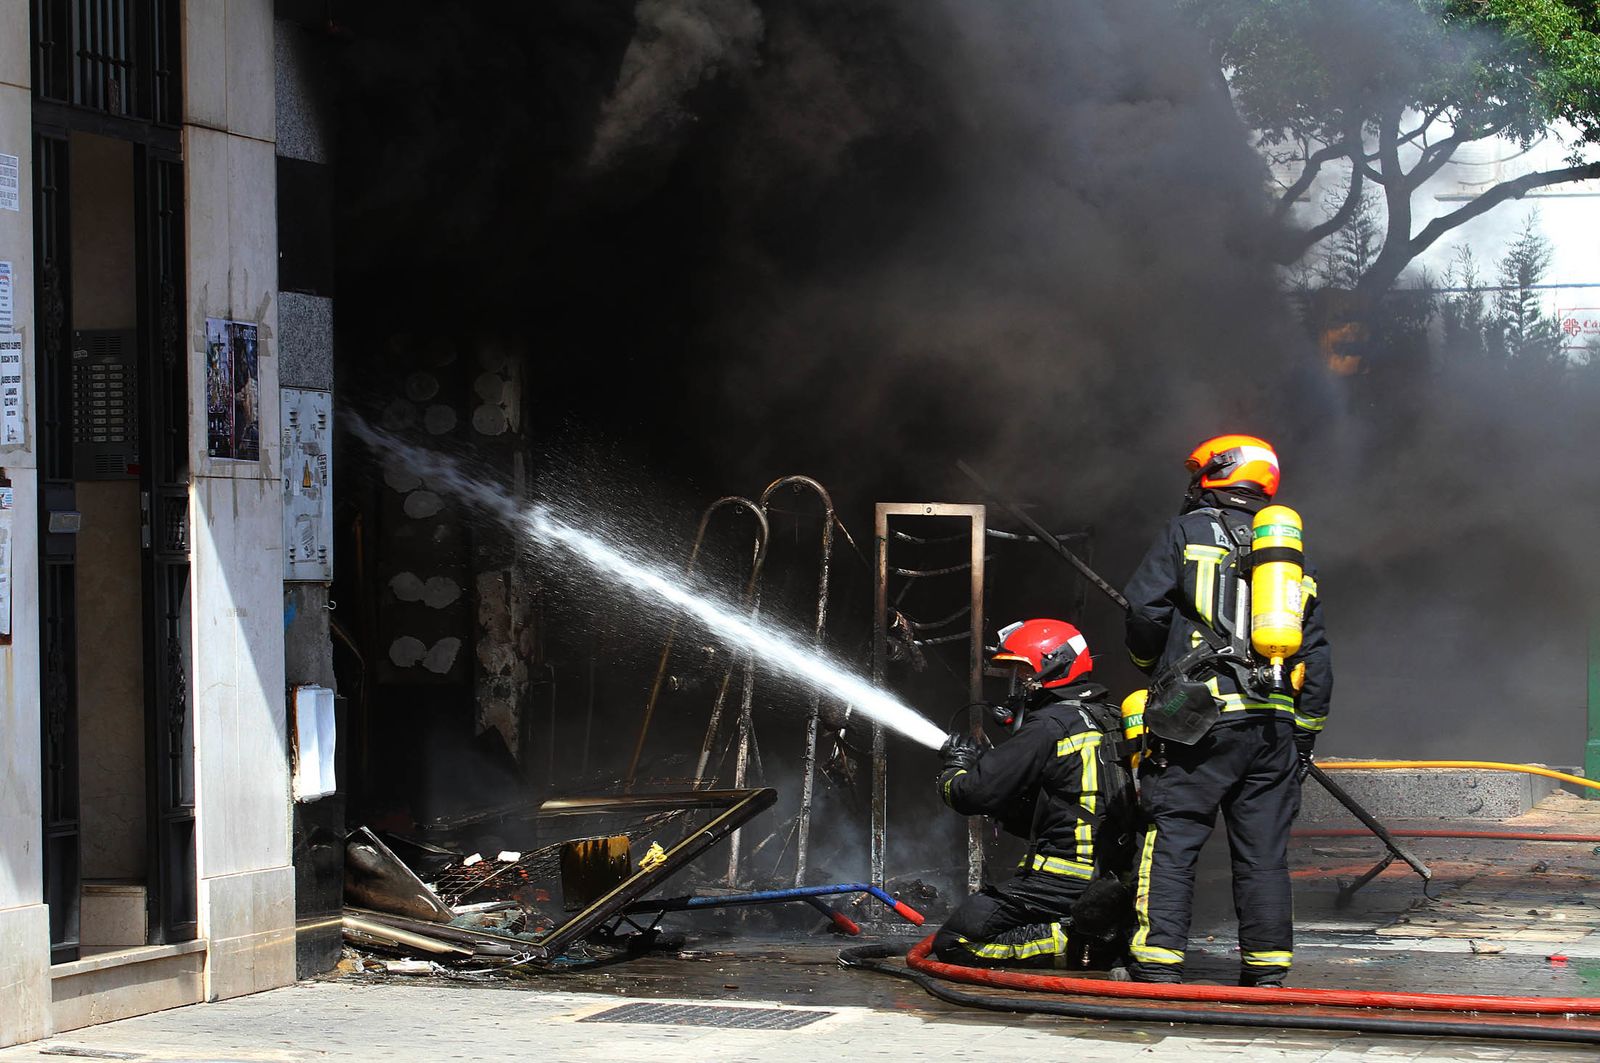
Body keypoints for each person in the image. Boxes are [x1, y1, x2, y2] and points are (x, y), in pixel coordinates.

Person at [1122, 433, 1332, 986]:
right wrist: (1302, 736)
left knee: (1173, 836)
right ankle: (1266, 972)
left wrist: (1156, 668)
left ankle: (1159, 964)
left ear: (1215, 473)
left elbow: (1144, 611)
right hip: (1272, 729)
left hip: (1198, 720)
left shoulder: (1187, 531)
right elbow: (1317, 657)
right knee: (1264, 855)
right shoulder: (1285, 560)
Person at [933, 619, 1138, 969]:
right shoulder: (1108, 716)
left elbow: (972, 794)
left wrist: (955, 768)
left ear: (1053, 666)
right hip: (1109, 877)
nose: (1020, 685)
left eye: (1024, 673)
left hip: (1063, 879)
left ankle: (1081, 942)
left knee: (956, 941)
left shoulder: (1048, 726)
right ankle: (1097, 929)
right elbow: (1064, 800)